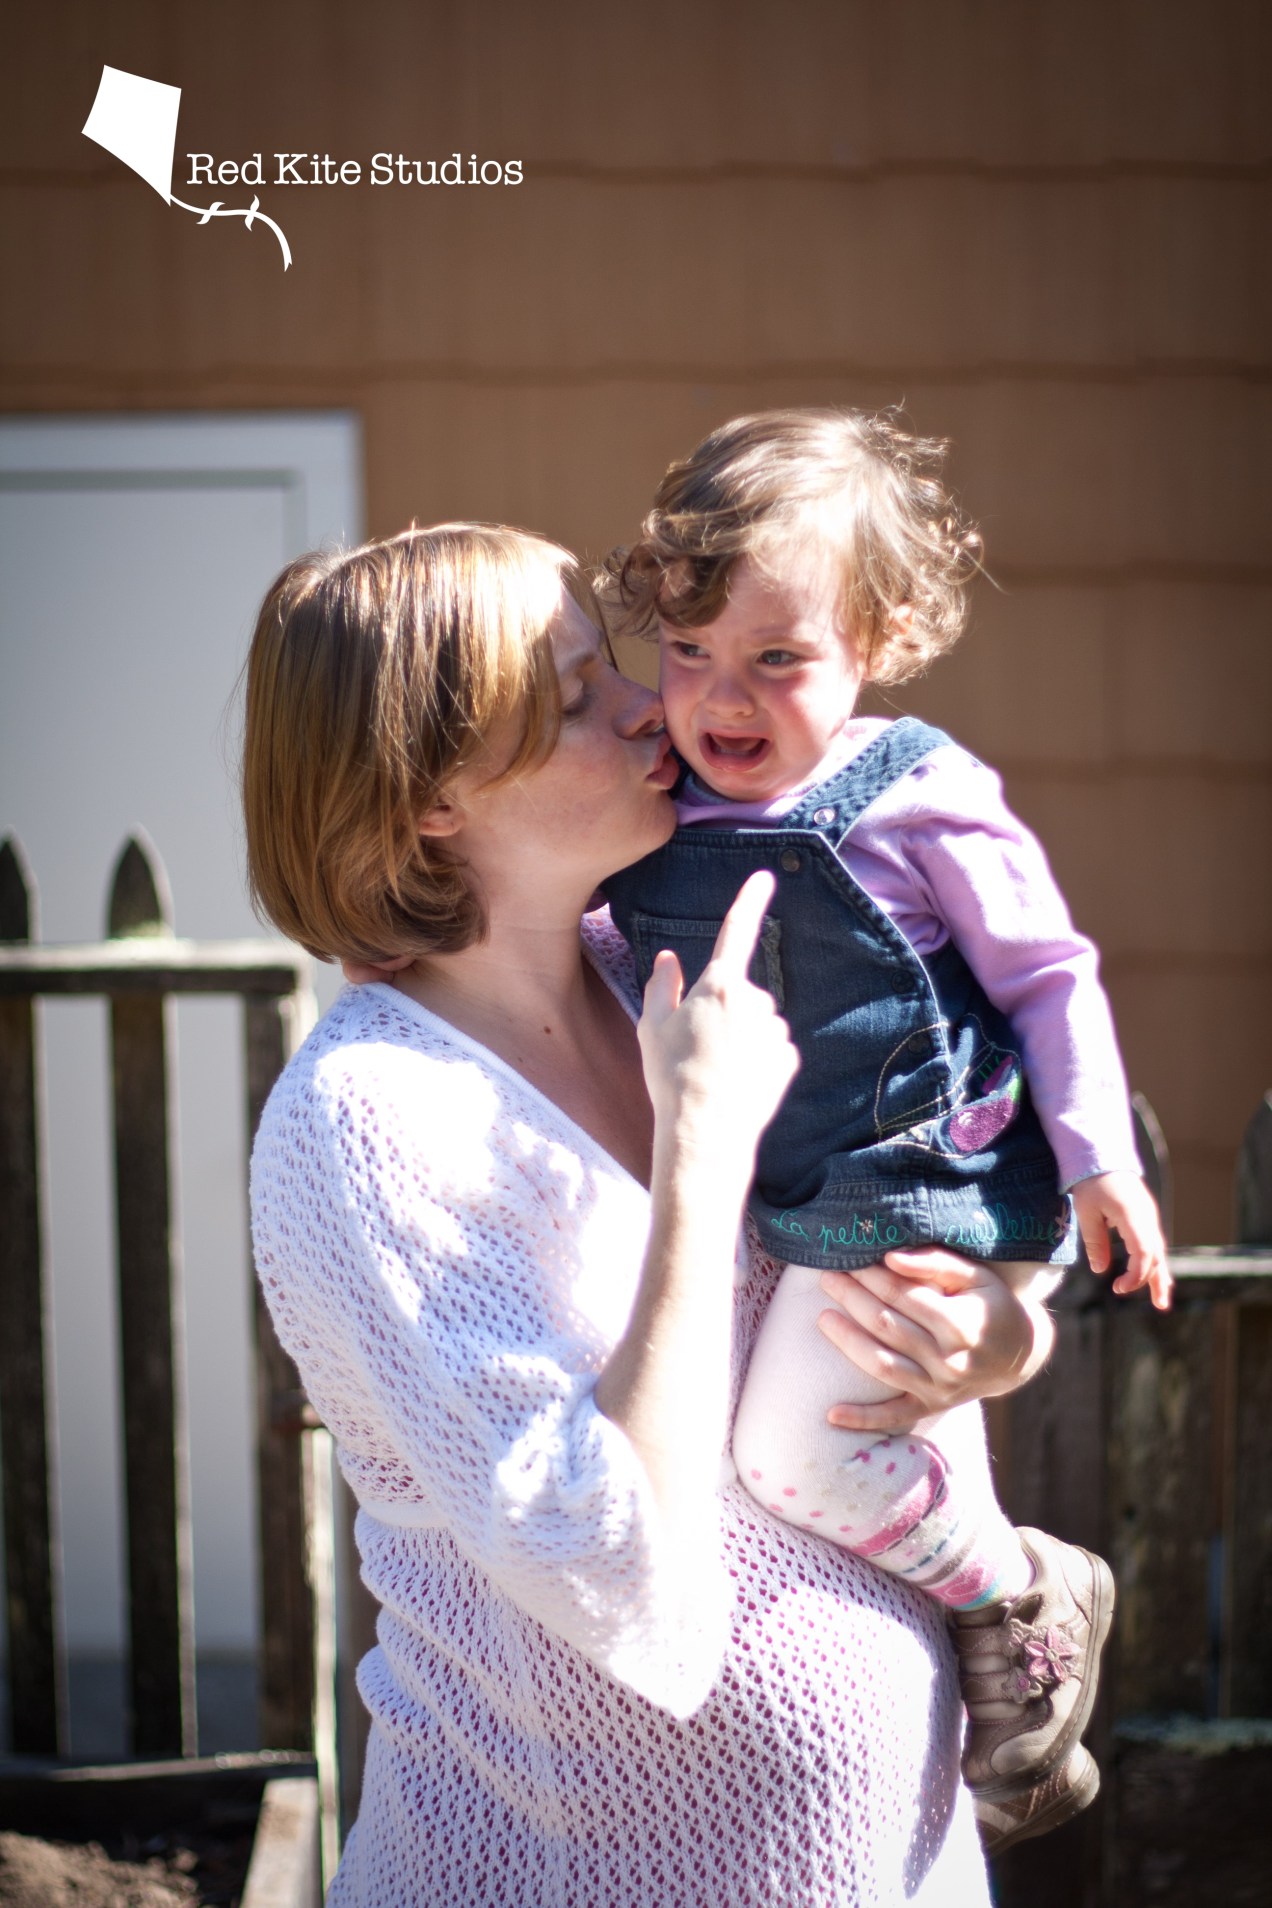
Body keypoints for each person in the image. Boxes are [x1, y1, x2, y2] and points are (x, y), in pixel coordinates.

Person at [243, 521, 1053, 1905]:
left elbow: (910, 1227)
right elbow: (613, 1574)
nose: (645, 706)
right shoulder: (366, 1119)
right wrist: (701, 1158)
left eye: (612, 665)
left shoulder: (673, 965)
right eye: (574, 698)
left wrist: (998, 1335)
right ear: (431, 798)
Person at [602, 408, 1173, 1850]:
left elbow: (1048, 976)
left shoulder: (919, 791)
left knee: (793, 1458)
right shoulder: (653, 804)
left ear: (882, 637)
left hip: (936, 1183)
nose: (721, 698)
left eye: (778, 659)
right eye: (689, 650)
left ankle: (1018, 1588)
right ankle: (999, 1607)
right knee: (803, 1442)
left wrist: (1101, 1159)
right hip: (811, 1202)